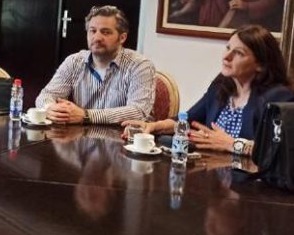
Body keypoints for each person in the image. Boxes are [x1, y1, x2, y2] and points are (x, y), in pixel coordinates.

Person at [122, 24, 294, 156]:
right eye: (228, 48)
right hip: (214, 174)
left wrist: (232, 144)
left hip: (251, 183)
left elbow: (278, 152)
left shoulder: (278, 98)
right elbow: (188, 120)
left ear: (261, 65)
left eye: (239, 53)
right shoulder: (221, 85)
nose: (226, 57)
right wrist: (153, 126)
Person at [35, 5, 156, 125]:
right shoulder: (74, 61)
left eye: (106, 32)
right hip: (81, 135)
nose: (97, 37)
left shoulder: (140, 66)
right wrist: (50, 108)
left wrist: (86, 115)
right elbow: (46, 95)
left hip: (122, 135)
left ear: (122, 38)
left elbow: (139, 111)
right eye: (92, 31)